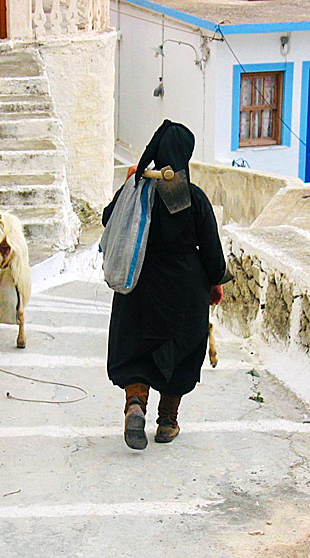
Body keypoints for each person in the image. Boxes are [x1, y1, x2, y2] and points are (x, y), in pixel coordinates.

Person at [102, 120, 227, 450]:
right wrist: (215, 282)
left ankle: (135, 404)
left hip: (139, 283)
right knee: (180, 352)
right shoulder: (194, 198)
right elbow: (213, 254)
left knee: (135, 348)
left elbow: (107, 219)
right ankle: (168, 421)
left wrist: (130, 185)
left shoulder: (137, 188)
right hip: (185, 292)